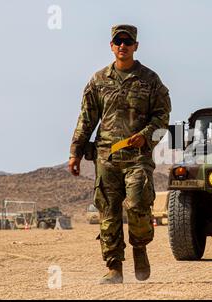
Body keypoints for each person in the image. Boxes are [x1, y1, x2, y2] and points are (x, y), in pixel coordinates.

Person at [68, 24, 171, 284]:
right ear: (111, 46)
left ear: (136, 46)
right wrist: (75, 153)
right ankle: (114, 267)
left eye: (128, 41)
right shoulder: (99, 80)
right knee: (109, 213)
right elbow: (86, 120)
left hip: (138, 158)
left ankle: (139, 247)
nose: (122, 45)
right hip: (107, 158)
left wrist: (146, 135)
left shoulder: (150, 80)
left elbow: (162, 116)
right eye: (118, 41)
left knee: (137, 205)